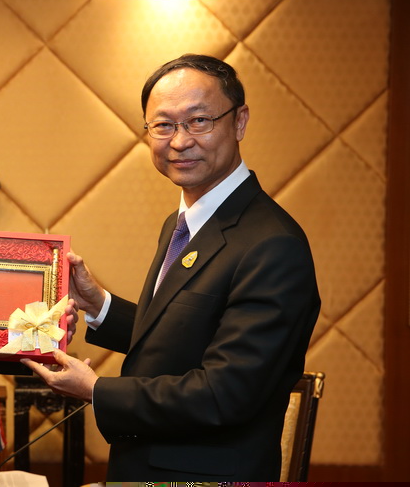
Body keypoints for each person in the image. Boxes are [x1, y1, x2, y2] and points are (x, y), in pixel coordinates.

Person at [21, 54, 321, 481]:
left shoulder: (272, 244)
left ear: (239, 122)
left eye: (199, 121)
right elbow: (182, 338)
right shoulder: (182, 224)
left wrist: (96, 390)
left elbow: (225, 393)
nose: (179, 141)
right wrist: (99, 304)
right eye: (163, 125)